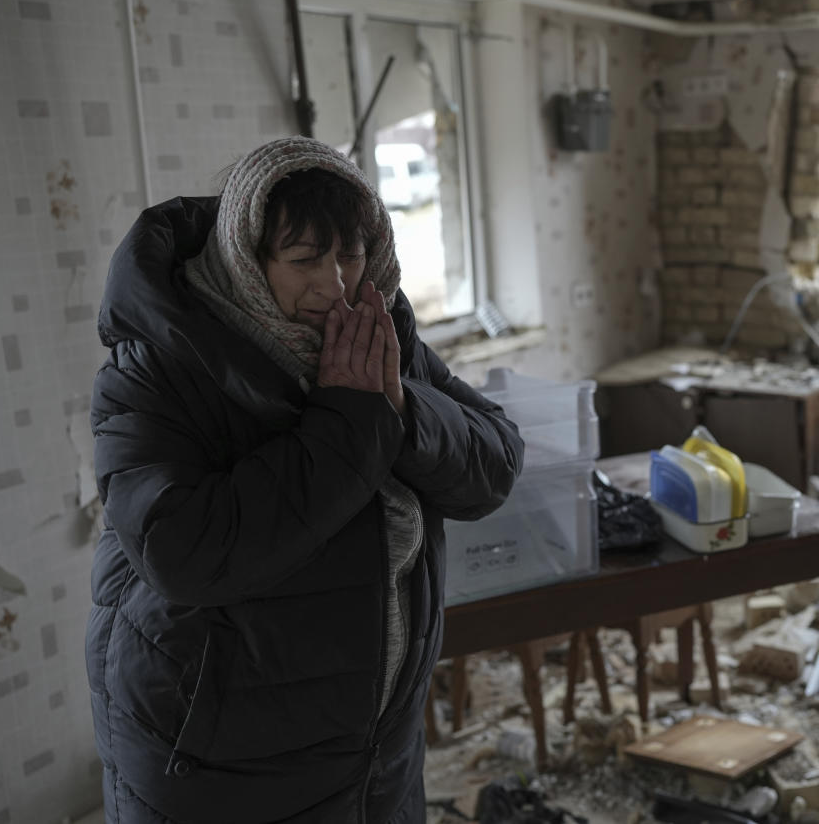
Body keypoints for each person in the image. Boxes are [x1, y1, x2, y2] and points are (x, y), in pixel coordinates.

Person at [87, 136, 524, 823]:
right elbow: (184, 552)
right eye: (303, 260)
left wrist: (401, 410)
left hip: (373, 749)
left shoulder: (378, 330)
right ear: (245, 258)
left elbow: (494, 464)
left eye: (350, 254)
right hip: (223, 760)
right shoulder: (160, 366)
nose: (337, 284)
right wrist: (351, 418)